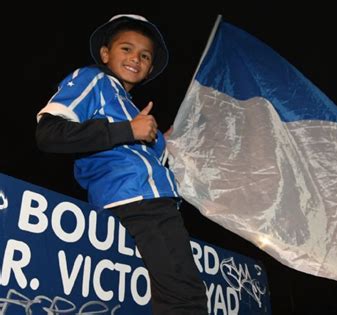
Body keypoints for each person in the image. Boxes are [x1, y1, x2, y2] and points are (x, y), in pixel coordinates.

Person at [35, 14, 208, 314]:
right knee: (185, 297)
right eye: (126, 49)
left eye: (144, 55)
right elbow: (49, 133)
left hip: (156, 203)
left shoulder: (133, 110)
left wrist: (162, 141)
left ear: (150, 68)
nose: (135, 59)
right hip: (138, 203)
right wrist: (129, 130)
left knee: (168, 293)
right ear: (105, 53)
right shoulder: (94, 79)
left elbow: (146, 161)